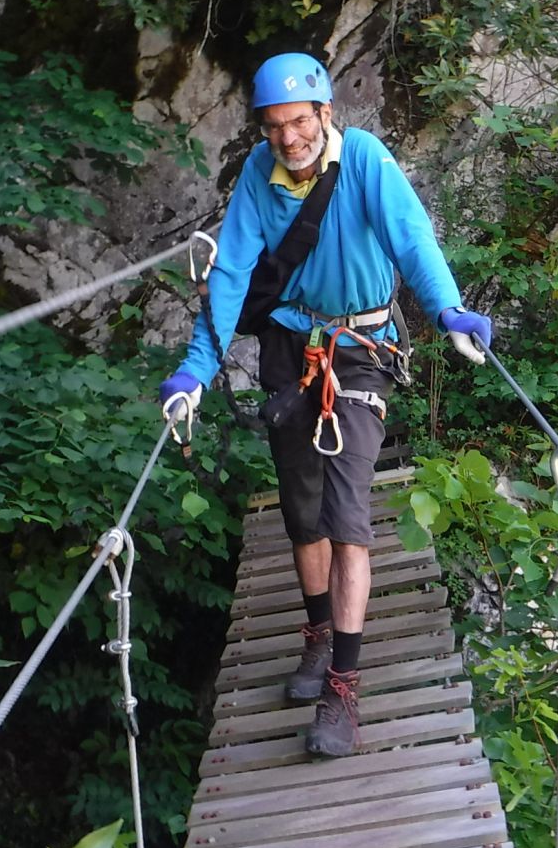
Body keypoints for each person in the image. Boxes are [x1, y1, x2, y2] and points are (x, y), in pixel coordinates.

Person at [159, 53, 493, 758]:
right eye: (274, 126)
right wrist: (194, 371)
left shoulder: (364, 160)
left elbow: (411, 237)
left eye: (299, 122)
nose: (288, 138)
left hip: (362, 349)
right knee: (301, 509)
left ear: (325, 113)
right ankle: (317, 635)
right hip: (291, 347)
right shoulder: (259, 175)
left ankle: (343, 686)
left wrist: (448, 309)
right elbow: (231, 272)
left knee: (346, 518)